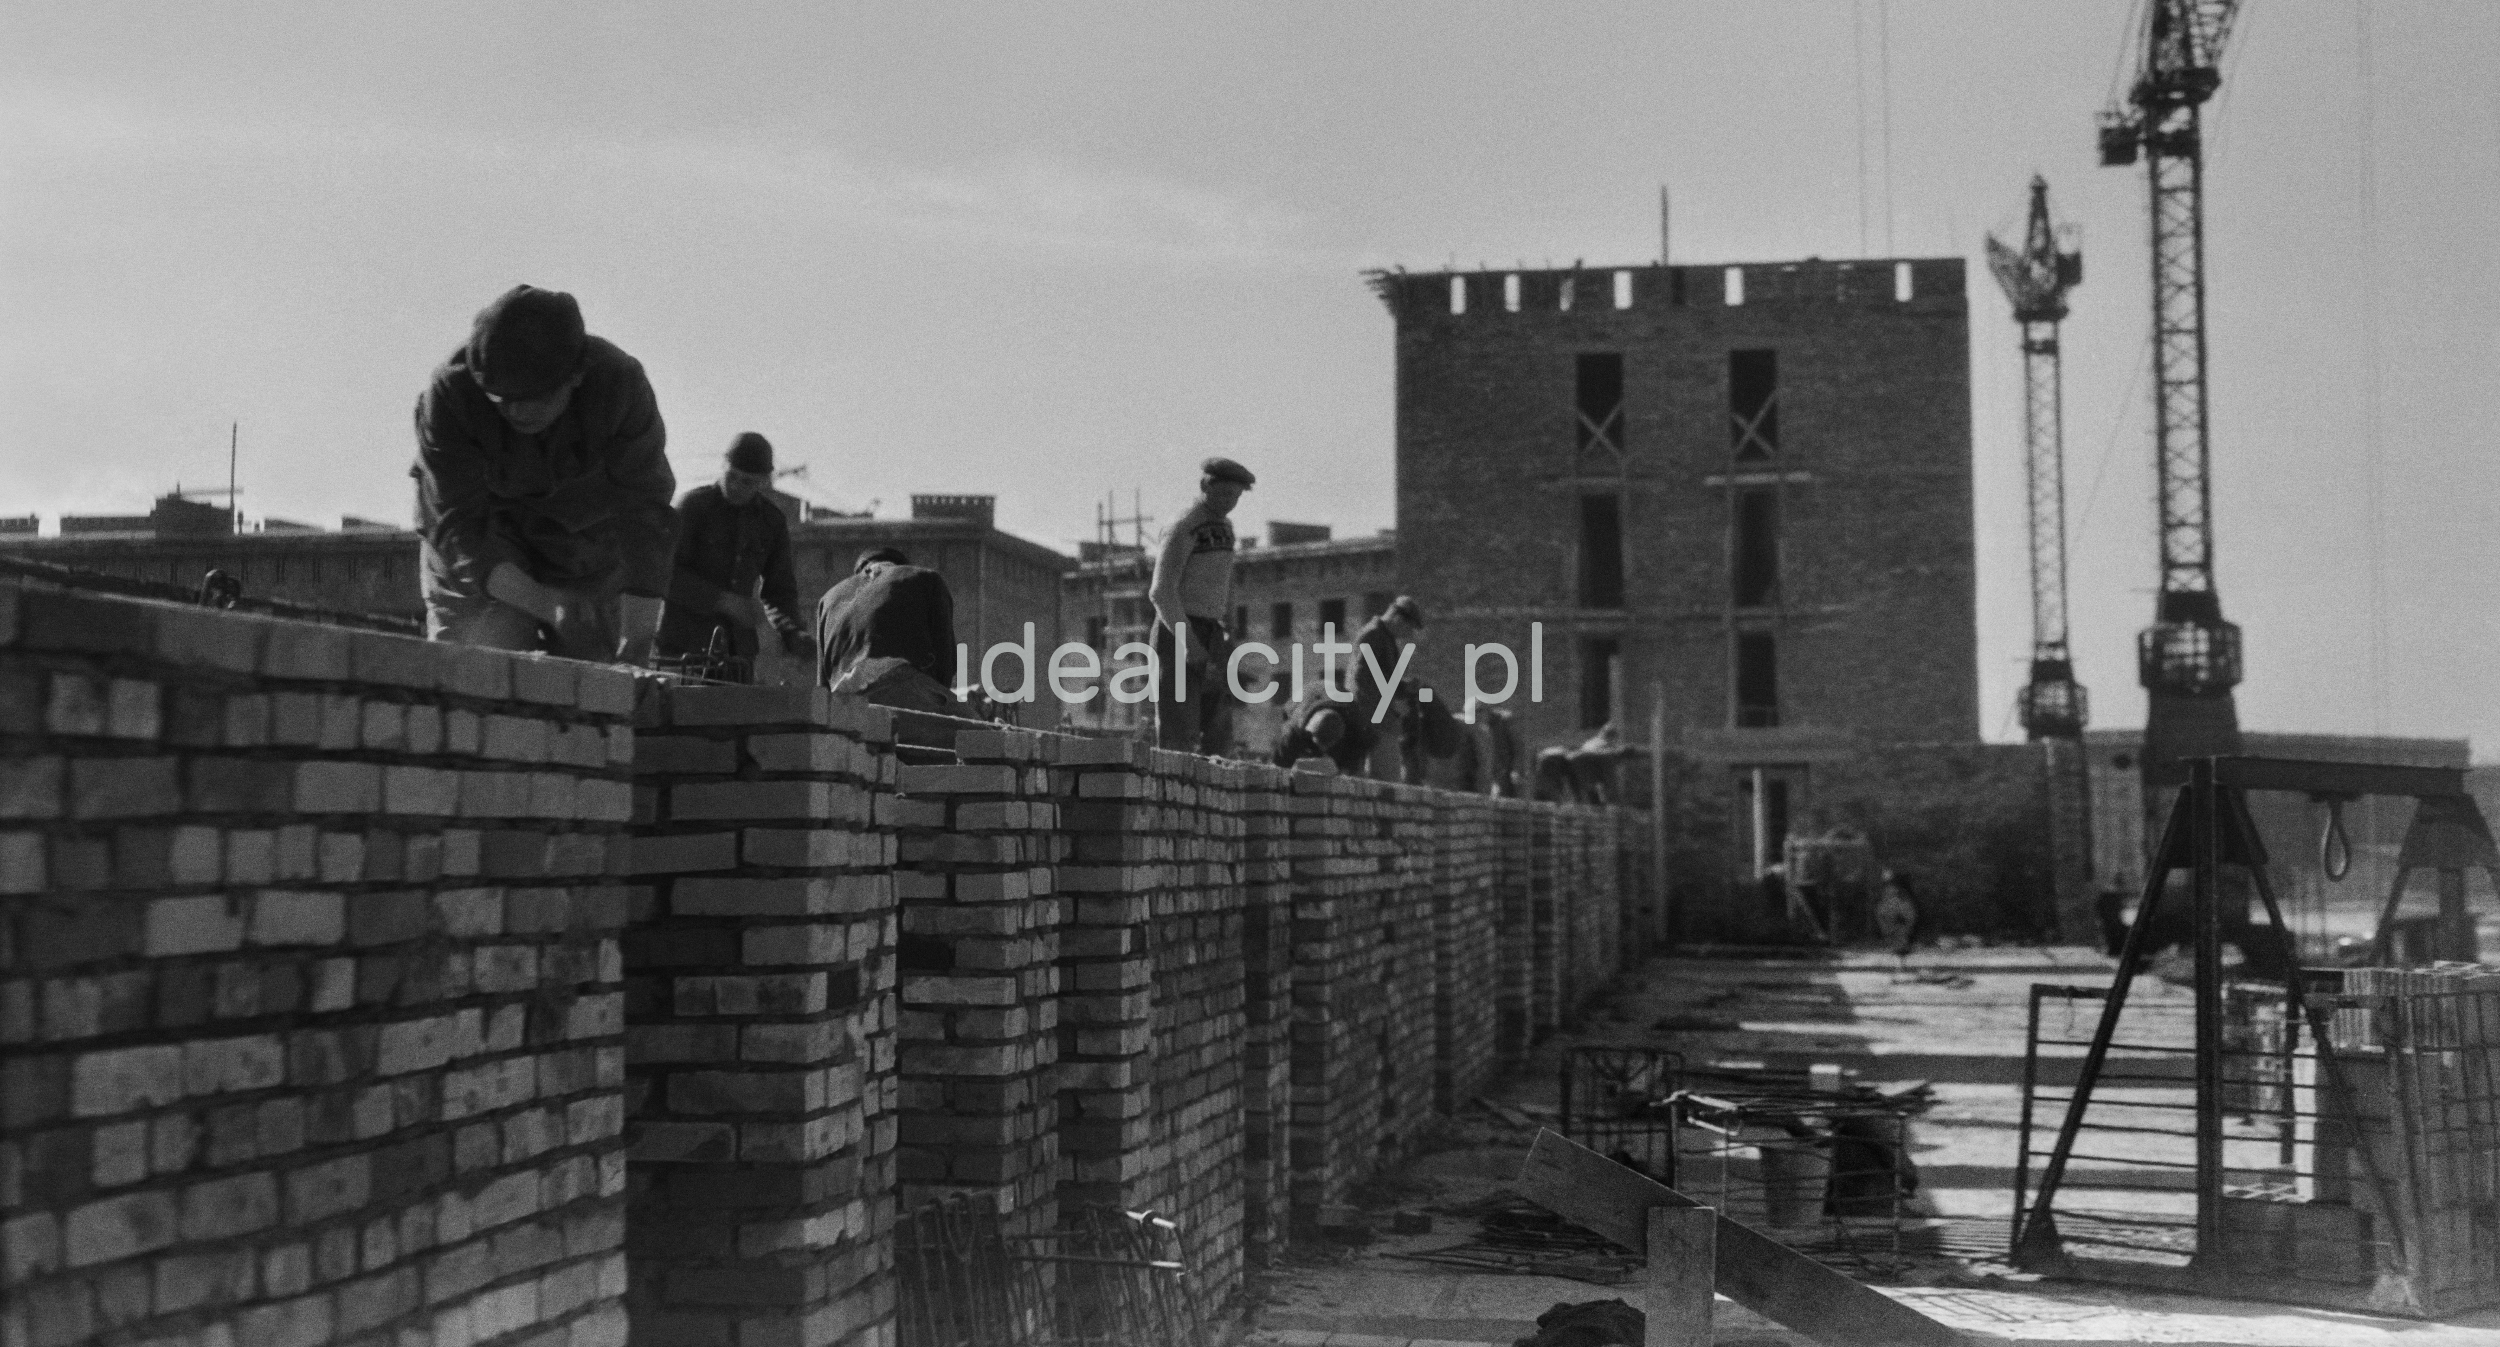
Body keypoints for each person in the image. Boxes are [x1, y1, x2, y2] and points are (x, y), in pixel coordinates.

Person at [412, 285, 675, 663]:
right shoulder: (451, 393)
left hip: (579, 549)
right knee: (482, 672)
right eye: (500, 398)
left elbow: (645, 514)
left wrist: (637, 639)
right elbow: (461, 529)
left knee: (597, 686)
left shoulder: (620, 385)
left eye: (533, 398)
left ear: (576, 376)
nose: (514, 411)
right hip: (484, 558)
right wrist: (544, 604)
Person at [658, 432, 804, 668]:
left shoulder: (771, 522)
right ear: (723, 466)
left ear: (763, 481)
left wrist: (792, 633)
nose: (735, 486)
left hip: (737, 656)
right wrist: (722, 601)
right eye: (731, 476)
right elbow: (664, 574)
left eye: (747, 481)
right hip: (682, 651)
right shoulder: (692, 508)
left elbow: (780, 591)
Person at [1147, 457, 1252, 755]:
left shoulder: (1226, 528)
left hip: (1213, 633)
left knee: (1218, 731)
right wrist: (1189, 644)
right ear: (1205, 485)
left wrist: (1227, 630)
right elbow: (1161, 592)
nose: (1229, 503)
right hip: (1178, 631)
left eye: (1236, 497)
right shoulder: (1184, 526)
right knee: (1178, 729)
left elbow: (1224, 582)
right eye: (1223, 494)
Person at [814, 547, 957, 712]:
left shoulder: (827, 599)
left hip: (844, 699)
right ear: (899, 566)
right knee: (977, 728)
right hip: (901, 682)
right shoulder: (925, 578)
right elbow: (946, 660)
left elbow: (822, 686)